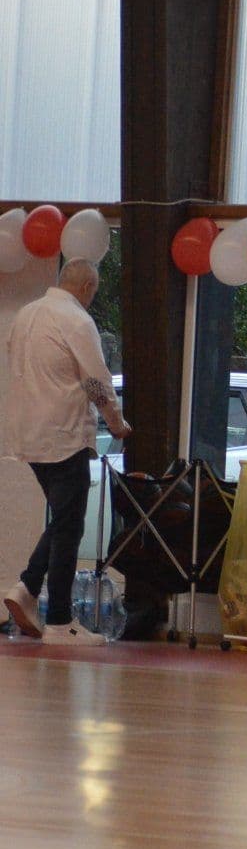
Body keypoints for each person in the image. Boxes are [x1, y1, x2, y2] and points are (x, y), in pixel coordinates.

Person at [3, 259, 130, 645]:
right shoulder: (76, 320)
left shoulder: (25, 315)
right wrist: (116, 422)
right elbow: (95, 381)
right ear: (88, 286)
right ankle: (59, 621)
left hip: (28, 434)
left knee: (64, 517)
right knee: (70, 525)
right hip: (64, 435)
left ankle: (26, 588)